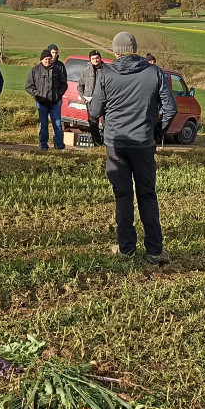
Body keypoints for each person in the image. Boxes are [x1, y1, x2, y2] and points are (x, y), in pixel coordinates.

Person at [88, 31, 177, 264]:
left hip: (116, 143)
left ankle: (126, 248)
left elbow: (94, 110)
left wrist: (101, 130)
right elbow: (171, 108)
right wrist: (157, 132)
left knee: (123, 196)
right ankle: (155, 250)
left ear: (115, 52)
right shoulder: (153, 72)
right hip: (143, 142)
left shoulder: (106, 74)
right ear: (136, 49)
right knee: (147, 195)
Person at [26, 50, 66, 150]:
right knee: (43, 125)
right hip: (42, 103)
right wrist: (37, 95)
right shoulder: (35, 70)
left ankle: (59, 146)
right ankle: (43, 145)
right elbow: (29, 86)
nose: (47, 61)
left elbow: (64, 84)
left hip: (55, 103)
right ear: (41, 60)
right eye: (45, 59)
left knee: (57, 124)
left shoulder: (57, 70)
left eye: (49, 59)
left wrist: (58, 94)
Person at [77, 50, 106, 147]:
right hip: (91, 102)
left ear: (100, 58)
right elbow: (80, 86)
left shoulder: (108, 70)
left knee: (107, 125)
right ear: (90, 60)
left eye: (97, 58)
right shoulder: (86, 72)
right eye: (93, 58)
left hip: (105, 102)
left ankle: (106, 145)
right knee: (93, 125)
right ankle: (97, 145)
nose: (96, 60)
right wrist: (84, 98)